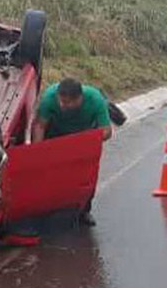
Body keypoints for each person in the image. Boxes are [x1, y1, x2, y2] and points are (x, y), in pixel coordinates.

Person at [32, 78, 113, 225]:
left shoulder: (95, 99)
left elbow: (107, 131)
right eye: (61, 101)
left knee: (85, 176)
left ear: (79, 99)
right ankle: (46, 209)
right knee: (52, 173)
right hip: (55, 135)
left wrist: (85, 141)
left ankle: (84, 211)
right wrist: (38, 152)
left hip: (82, 138)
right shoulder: (49, 98)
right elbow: (40, 126)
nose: (63, 105)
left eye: (68, 102)